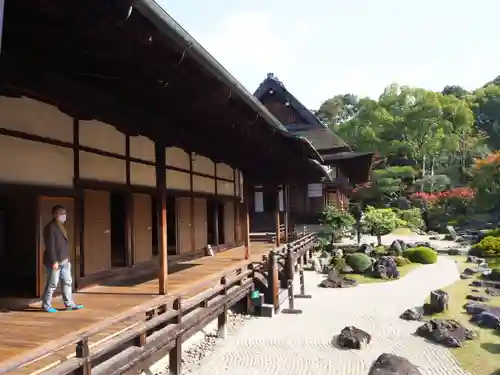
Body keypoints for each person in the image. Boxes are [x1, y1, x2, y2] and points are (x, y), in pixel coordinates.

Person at [42, 205, 83, 313]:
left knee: (67, 282)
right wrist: (54, 260)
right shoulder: (51, 227)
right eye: (62, 214)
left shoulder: (61, 226)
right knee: (52, 283)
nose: (64, 216)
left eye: (65, 214)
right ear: (56, 214)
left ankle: (69, 304)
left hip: (64, 259)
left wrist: (67, 258)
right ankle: (46, 305)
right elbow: (50, 245)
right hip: (55, 261)